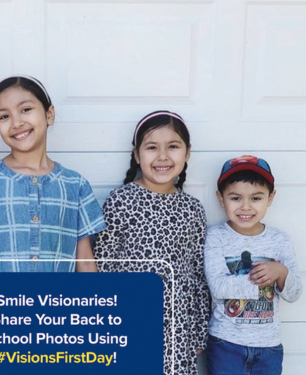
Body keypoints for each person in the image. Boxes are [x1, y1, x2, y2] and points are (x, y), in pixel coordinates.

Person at [93, 111, 209, 375]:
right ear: (137, 155)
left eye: (173, 147)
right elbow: (102, 266)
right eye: (152, 147)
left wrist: (199, 331)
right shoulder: (120, 201)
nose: (163, 156)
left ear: (187, 153)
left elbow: (198, 272)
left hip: (178, 330)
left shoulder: (192, 209)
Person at [0, 76, 105, 272]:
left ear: (49, 114)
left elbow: (84, 260)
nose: (16, 122)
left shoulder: (75, 185)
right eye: (4, 116)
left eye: (26, 109)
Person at [204, 155, 302, 375]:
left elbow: (294, 293)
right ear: (221, 199)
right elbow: (218, 288)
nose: (245, 207)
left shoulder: (280, 240)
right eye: (236, 198)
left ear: (270, 197)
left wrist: (281, 273)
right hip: (225, 344)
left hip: (269, 347)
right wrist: (260, 280)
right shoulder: (215, 237)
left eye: (256, 198)